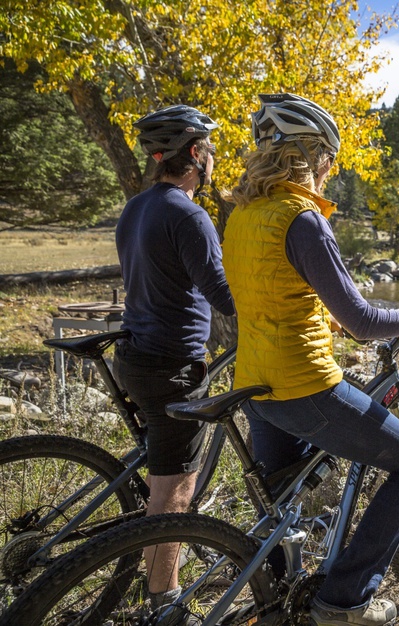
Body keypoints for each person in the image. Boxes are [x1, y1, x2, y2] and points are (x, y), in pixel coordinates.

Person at [223, 93, 399, 626]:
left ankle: (277, 604)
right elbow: (364, 321)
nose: (329, 172)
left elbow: (272, 294)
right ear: (311, 156)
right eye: (328, 159)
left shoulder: (243, 214)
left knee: (284, 506)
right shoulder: (302, 219)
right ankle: (345, 602)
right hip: (302, 386)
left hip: (255, 388)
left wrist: (325, 319)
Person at [112, 104, 235, 612]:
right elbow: (225, 297)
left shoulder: (136, 207)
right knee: (173, 495)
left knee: (160, 472)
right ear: (193, 155)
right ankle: (165, 603)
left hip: (135, 356)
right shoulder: (189, 214)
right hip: (173, 367)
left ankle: (148, 575)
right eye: (207, 150)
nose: (211, 161)